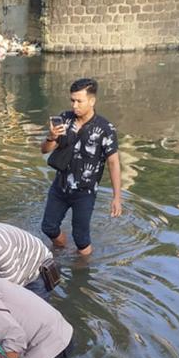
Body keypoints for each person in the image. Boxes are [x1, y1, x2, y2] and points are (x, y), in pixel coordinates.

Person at [40, 77, 123, 257]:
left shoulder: (106, 129)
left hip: (84, 192)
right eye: (72, 100)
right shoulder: (64, 119)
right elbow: (44, 150)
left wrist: (117, 197)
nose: (74, 106)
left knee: (81, 238)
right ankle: (61, 248)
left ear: (92, 101)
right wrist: (51, 137)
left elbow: (113, 162)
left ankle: (83, 270)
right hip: (60, 187)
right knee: (48, 226)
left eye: (79, 101)